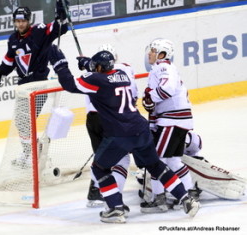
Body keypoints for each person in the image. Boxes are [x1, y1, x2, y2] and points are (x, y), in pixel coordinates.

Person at [48, 45, 199, 223]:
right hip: (140, 129)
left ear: (98, 68)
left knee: (99, 168)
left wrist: (60, 64)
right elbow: (102, 71)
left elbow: (69, 83)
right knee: (155, 165)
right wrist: (90, 63)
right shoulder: (122, 74)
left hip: (119, 134)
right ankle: (186, 199)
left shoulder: (97, 80)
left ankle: (115, 208)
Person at [0, 2, 69, 168]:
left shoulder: (39, 31)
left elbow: (60, 28)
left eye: (23, 21)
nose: (20, 24)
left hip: (38, 85)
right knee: (21, 122)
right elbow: (8, 61)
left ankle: (38, 154)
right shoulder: (13, 40)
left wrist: (62, 16)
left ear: (29, 20)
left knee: (26, 120)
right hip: (24, 86)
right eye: (17, 21)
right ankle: (30, 151)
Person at [140, 38, 198, 213]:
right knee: (173, 160)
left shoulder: (162, 67)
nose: (149, 53)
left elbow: (167, 90)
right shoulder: (163, 69)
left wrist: (150, 97)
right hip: (178, 120)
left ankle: (160, 200)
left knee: (156, 161)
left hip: (171, 120)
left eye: (153, 50)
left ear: (162, 54)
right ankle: (189, 193)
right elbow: (158, 98)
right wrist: (150, 107)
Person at [77, 44, 138, 208]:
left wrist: (86, 63)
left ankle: (95, 191)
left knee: (101, 159)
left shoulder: (90, 72)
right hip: (110, 118)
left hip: (92, 119)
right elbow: (134, 94)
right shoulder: (123, 69)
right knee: (122, 157)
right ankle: (114, 197)